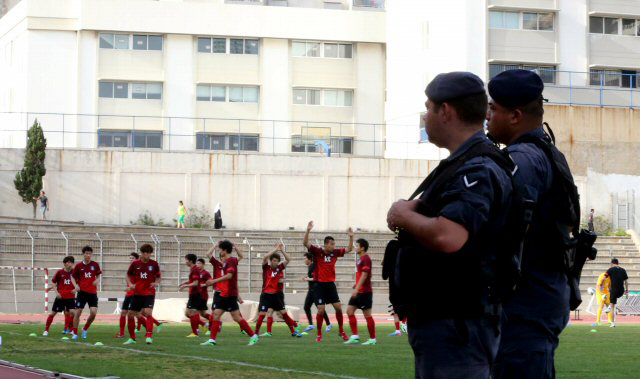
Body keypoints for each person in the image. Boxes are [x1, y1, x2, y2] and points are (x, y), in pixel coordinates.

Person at [386, 72, 513, 378]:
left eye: (428, 108)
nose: (425, 117)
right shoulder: (466, 163)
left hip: (457, 320)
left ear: (445, 111)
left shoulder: (477, 167)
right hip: (448, 318)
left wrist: (403, 216)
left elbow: (448, 236)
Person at [487, 69, 578, 379]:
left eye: (493, 108)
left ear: (514, 116)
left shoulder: (522, 159)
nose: (487, 115)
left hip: (525, 304)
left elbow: (502, 224)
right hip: (541, 298)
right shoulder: (547, 153)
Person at [200, 240, 258, 346]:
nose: (219, 252)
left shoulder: (231, 261)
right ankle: (212, 340)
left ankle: (253, 336)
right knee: (216, 315)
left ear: (224, 250)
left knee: (236, 317)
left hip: (230, 294)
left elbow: (229, 276)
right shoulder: (228, 261)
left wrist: (213, 281)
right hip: (223, 293)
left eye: (220, 249)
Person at [303, 221, 354, 342]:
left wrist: (351, 237)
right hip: (319, 285)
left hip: (330, 285)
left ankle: (341, 331)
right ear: (326, 244)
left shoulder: (335, 253)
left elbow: (349, 249)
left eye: (334, 244)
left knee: (338, 307)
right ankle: (319, 334)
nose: (334, 246)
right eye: (332, 244)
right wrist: (308, 230)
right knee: (321, 309)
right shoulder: (317, 252)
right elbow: (305, 243)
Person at [255, 244, 301, 337]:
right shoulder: (266, 268)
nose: (275, 262)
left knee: (284, 314)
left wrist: (282, 250)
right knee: (262, 315)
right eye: (273, 260)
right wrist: (275, 249)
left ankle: (293, 331)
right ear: (271, 261)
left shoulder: (279, 268)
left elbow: (288, 260)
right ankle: (255, 333)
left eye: (277, 261)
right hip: (266, 295)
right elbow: (264, 257)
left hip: (275, 296)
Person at [124, 243, 161, 345]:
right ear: (141, 253)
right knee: (130, 314)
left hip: (149, 292)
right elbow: (127, 275)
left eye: (148, 253)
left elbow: (158, 277)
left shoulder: (154, 264)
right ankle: (132, 338)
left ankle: (149, 335)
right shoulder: (135, 264)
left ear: (150, 254)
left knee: (148, 312)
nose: (146, 255)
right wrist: (131, 284)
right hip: (137, 293)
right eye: (144, 253)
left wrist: (156, 283)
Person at [344, 238, 376, 346]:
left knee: (367, 315)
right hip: (358, 291)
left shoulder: (366, 259)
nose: (355, 247)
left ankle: (372, 339)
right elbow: (360, 275)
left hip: (365, 292)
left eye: (357, 246)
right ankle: (355, 336)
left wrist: (357, 288)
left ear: (362, 248)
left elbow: (365, 274)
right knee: (349, 311)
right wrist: (356, 286)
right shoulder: (360, 259)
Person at [71, 246, 101, 340]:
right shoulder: (79, 266)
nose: (88, 255)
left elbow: (99, 275)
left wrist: (97, 280)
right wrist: (76, 285)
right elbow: (72, 277)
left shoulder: (95, 265)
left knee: (93, 313)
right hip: (82, 293)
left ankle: (85, 328)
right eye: (86, 253)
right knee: (78, 312)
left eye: (90, 253)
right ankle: (75, 333)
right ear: (83, 254)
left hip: (92, 293)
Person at [44, 256, 79, 337]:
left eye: (71, 262)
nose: (69, 264)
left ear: (73, 264)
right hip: (61, 297)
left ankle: (72, 330)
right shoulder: (60, 272)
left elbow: (79, 283)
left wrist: (76, 289)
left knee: (74, 313)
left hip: (70, 297)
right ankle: (46, 330)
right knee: (53, 313)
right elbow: (53, 282)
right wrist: (57, 293)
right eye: (67, 262)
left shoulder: (75, 273)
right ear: (64, 263)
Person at [116, 252, 148, 338]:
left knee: (137, 314)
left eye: (132, 258)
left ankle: (148, 330)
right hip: (128, 294)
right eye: (130, 258)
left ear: (136, 259)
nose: (130, 260)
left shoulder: (139, 269)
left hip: (135, 295)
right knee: (123, 313)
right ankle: (122, 333)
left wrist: (132, 287)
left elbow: (141, 282)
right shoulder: (130, 269)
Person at [301, 252, 332, 335]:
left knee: (320, 308)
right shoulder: (310, 267)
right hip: (311, 290)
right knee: (306, 307)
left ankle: (328, 324)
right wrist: (308, 278)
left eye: (305, 258)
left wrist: (307, 279)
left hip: (316, 290)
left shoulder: (314, 266)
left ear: (309, 259)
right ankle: (311, 324)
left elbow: (316, 278)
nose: (304, 260)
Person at [179, 254, 208, 337]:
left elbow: (196, 283)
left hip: (195, 294)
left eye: (186, 260)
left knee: (192, 313)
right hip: (193, 294)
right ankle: (203, 325)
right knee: (188, 313)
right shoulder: (193, 269)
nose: (185, 262)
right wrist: (185, 282)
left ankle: (195, 332)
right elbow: (194, 280)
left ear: (190, 261)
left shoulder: (195, 269)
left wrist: (185, 286)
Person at [206, 245, 225, 334]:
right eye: (222, 257)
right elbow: (208, 254)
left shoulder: (230, 265)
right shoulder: (217, 264)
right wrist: (215, 246)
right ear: (220, 258)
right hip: (218, 292)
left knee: (235, 314)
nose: (224, 259)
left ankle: (244, 329)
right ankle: (211, 328)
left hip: (227, 292)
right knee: (214, 312)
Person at [606, 258, 628, 327]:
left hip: (614, 290)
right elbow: (626, 282)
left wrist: (604, 286)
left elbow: (605, 277)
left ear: (612, 263)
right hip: (621, 290)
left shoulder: (610, 269)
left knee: (612, 306)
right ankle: (610, 306)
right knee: (614, 302)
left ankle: (612, 323)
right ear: (618, 263)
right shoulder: (623, 270)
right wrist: (626, 291)